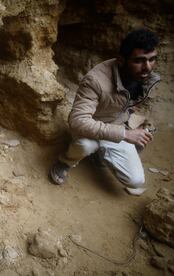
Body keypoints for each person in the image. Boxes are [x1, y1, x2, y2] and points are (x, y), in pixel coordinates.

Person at [49, 28, 160, 196]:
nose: (147, 67)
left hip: (116, 126)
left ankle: (100, 154)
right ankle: (65, 161)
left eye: (152, 59)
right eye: (139, 60)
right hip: (90, 128)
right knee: (86, 145)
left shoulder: (143, 76)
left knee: (136, 181)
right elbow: (78, 121)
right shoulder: (96, 80)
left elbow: (128, 102)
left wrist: (131, 125)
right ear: (121, 60)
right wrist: (125, 134)